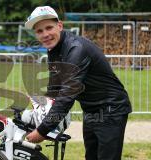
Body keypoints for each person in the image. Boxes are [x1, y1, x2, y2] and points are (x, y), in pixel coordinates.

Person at [25, 6, 132, 160]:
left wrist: (42, 131)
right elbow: (55, 88)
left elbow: (67, 94)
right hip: (90, 110)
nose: (45, 34)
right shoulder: (54, 49)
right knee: (91, 156)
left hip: (111, 109)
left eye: (49, 27)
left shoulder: (76, 49)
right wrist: (40, 102)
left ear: (60, 26)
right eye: (39, 31)